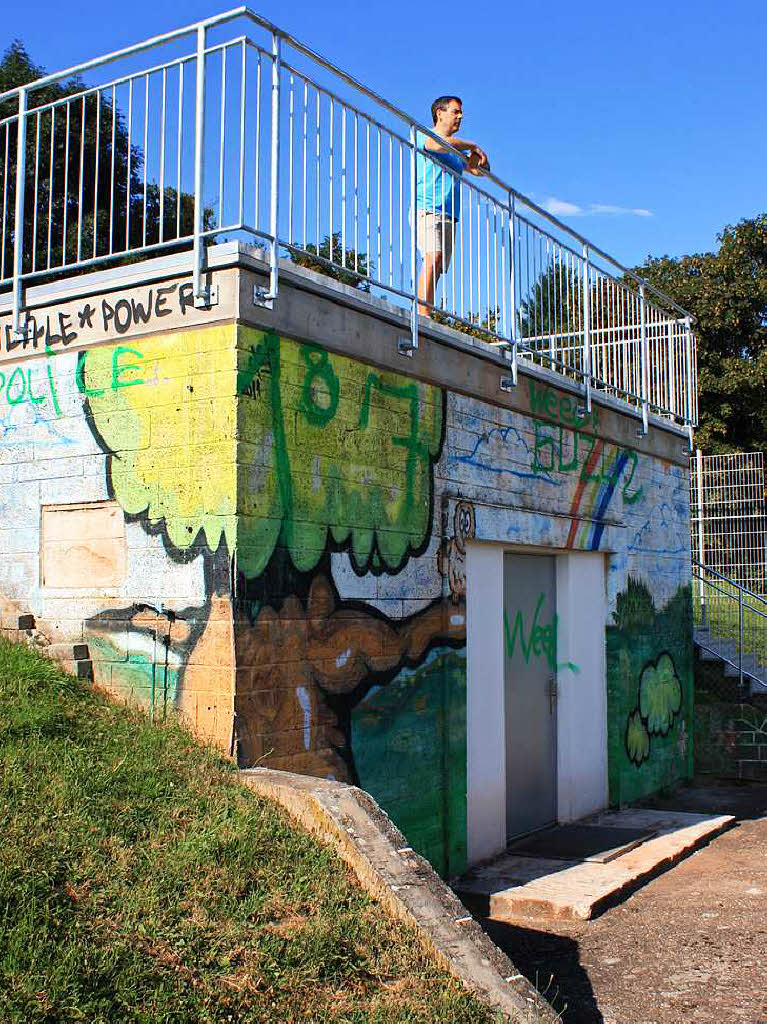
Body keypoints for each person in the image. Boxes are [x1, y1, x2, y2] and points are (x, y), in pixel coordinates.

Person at [415, 96, 490, 316]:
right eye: (455, 112)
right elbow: (438, 144)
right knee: (432, 257)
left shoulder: (456, 151)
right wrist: (473, 145)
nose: (460, 116)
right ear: (440, 113)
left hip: (449, 214)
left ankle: (426, 309)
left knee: (438, 266)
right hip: (427, 207)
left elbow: (479, 171)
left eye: (460, 112)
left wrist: (481, 158)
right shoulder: (425, 134)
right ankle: (422, 314)